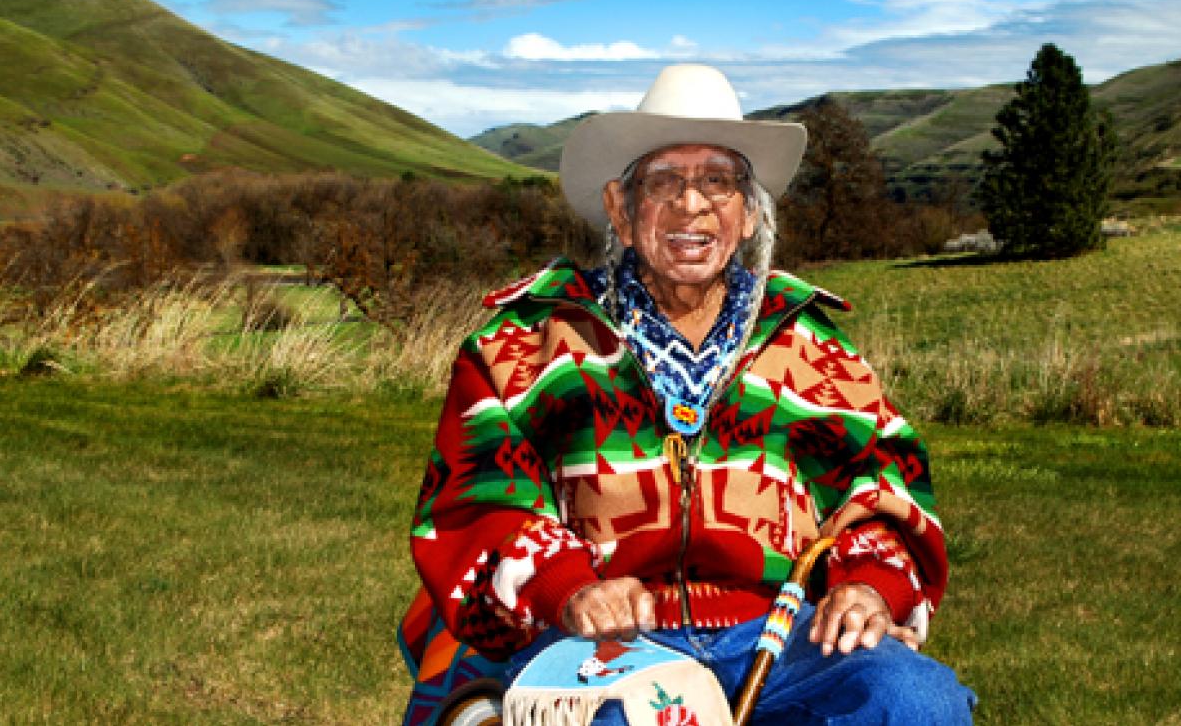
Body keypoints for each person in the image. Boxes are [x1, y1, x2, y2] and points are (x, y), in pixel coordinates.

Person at [410, 64, 974, 724]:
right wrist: (566, 588)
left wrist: (870, 586)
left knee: (912, 700)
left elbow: (882, 487)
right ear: (622, 209)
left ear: (748, 213)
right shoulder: (529, 343)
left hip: (780, 635)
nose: (691, 204)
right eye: (664, 182)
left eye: (718, 181)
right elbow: (476, 499)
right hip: (602, 641)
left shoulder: (813, 347)